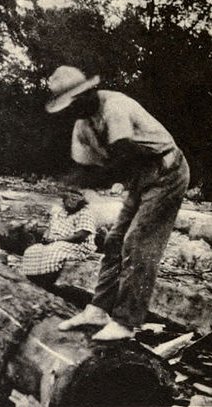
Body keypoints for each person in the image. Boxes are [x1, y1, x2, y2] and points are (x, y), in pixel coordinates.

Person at [46, 66, 190, 341]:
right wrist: (72, 182)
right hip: (139, 177)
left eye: (76, 101)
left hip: (166, 171)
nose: (74, 109)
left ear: (88, 92)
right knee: (113, 240)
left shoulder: (115, 106)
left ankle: (125, 321)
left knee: (138, 243)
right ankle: (98, 309)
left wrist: (92, 183)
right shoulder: (83, 125)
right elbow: (85, 166)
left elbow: (121, 155)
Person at [21, 190, 96, 288]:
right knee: (32, 250)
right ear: (64, 200)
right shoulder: (59, 212)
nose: (71, 202)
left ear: (81, 202)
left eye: (75, 199)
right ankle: (34, 280)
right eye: (70, 198)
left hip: (78, 245)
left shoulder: (85, 213)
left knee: (54, 251)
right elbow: (50, 229)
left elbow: (80, 236)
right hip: (57, 242)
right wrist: (45, 236)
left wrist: (57, 240)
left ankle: (49, 282)